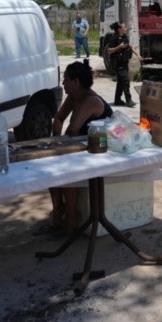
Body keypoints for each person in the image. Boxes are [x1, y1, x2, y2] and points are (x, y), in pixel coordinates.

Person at [45, 60, 113, 235]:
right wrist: (55, 141)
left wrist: (59, 147)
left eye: (66, 79)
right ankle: (58, 211)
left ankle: (70, 219)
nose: (63, 83)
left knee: (67, 169)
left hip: (100, 147)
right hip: (81, 143)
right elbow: (59, 119)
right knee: (51, 165)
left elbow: (73, 128)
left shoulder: (91, 101)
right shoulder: (74, 97)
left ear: (76, 82)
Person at [107, 22, 142, 107]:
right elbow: (109, 50)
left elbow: (129, 46)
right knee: (126, 80)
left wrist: (138, 55)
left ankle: (117, 100)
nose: (126, 28)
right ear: (119, 29)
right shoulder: (114, 38)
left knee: (121, 81)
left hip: (124, 62)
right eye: (124, 27)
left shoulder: (125, 37)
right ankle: (128, 100)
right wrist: (119, 47)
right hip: (117, 63)